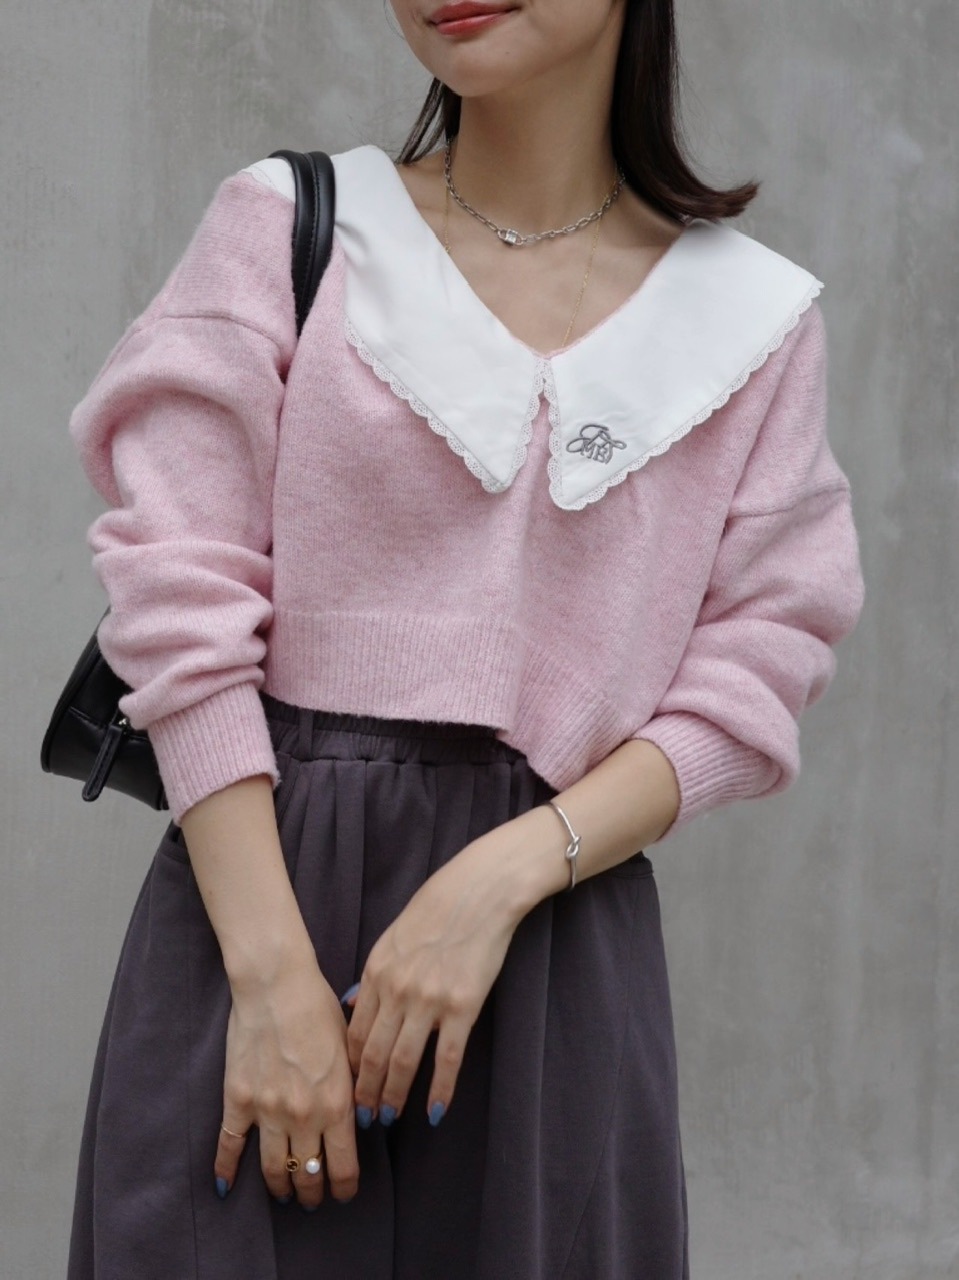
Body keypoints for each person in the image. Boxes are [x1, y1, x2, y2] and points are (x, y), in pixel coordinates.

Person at [65, 1, 864, 1277]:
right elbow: (178, 597)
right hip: (256, 913)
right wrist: (268, 978)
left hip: (553, 958)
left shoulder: (749, 323)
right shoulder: (292, 228)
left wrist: (500, 877)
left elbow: (760, 659)